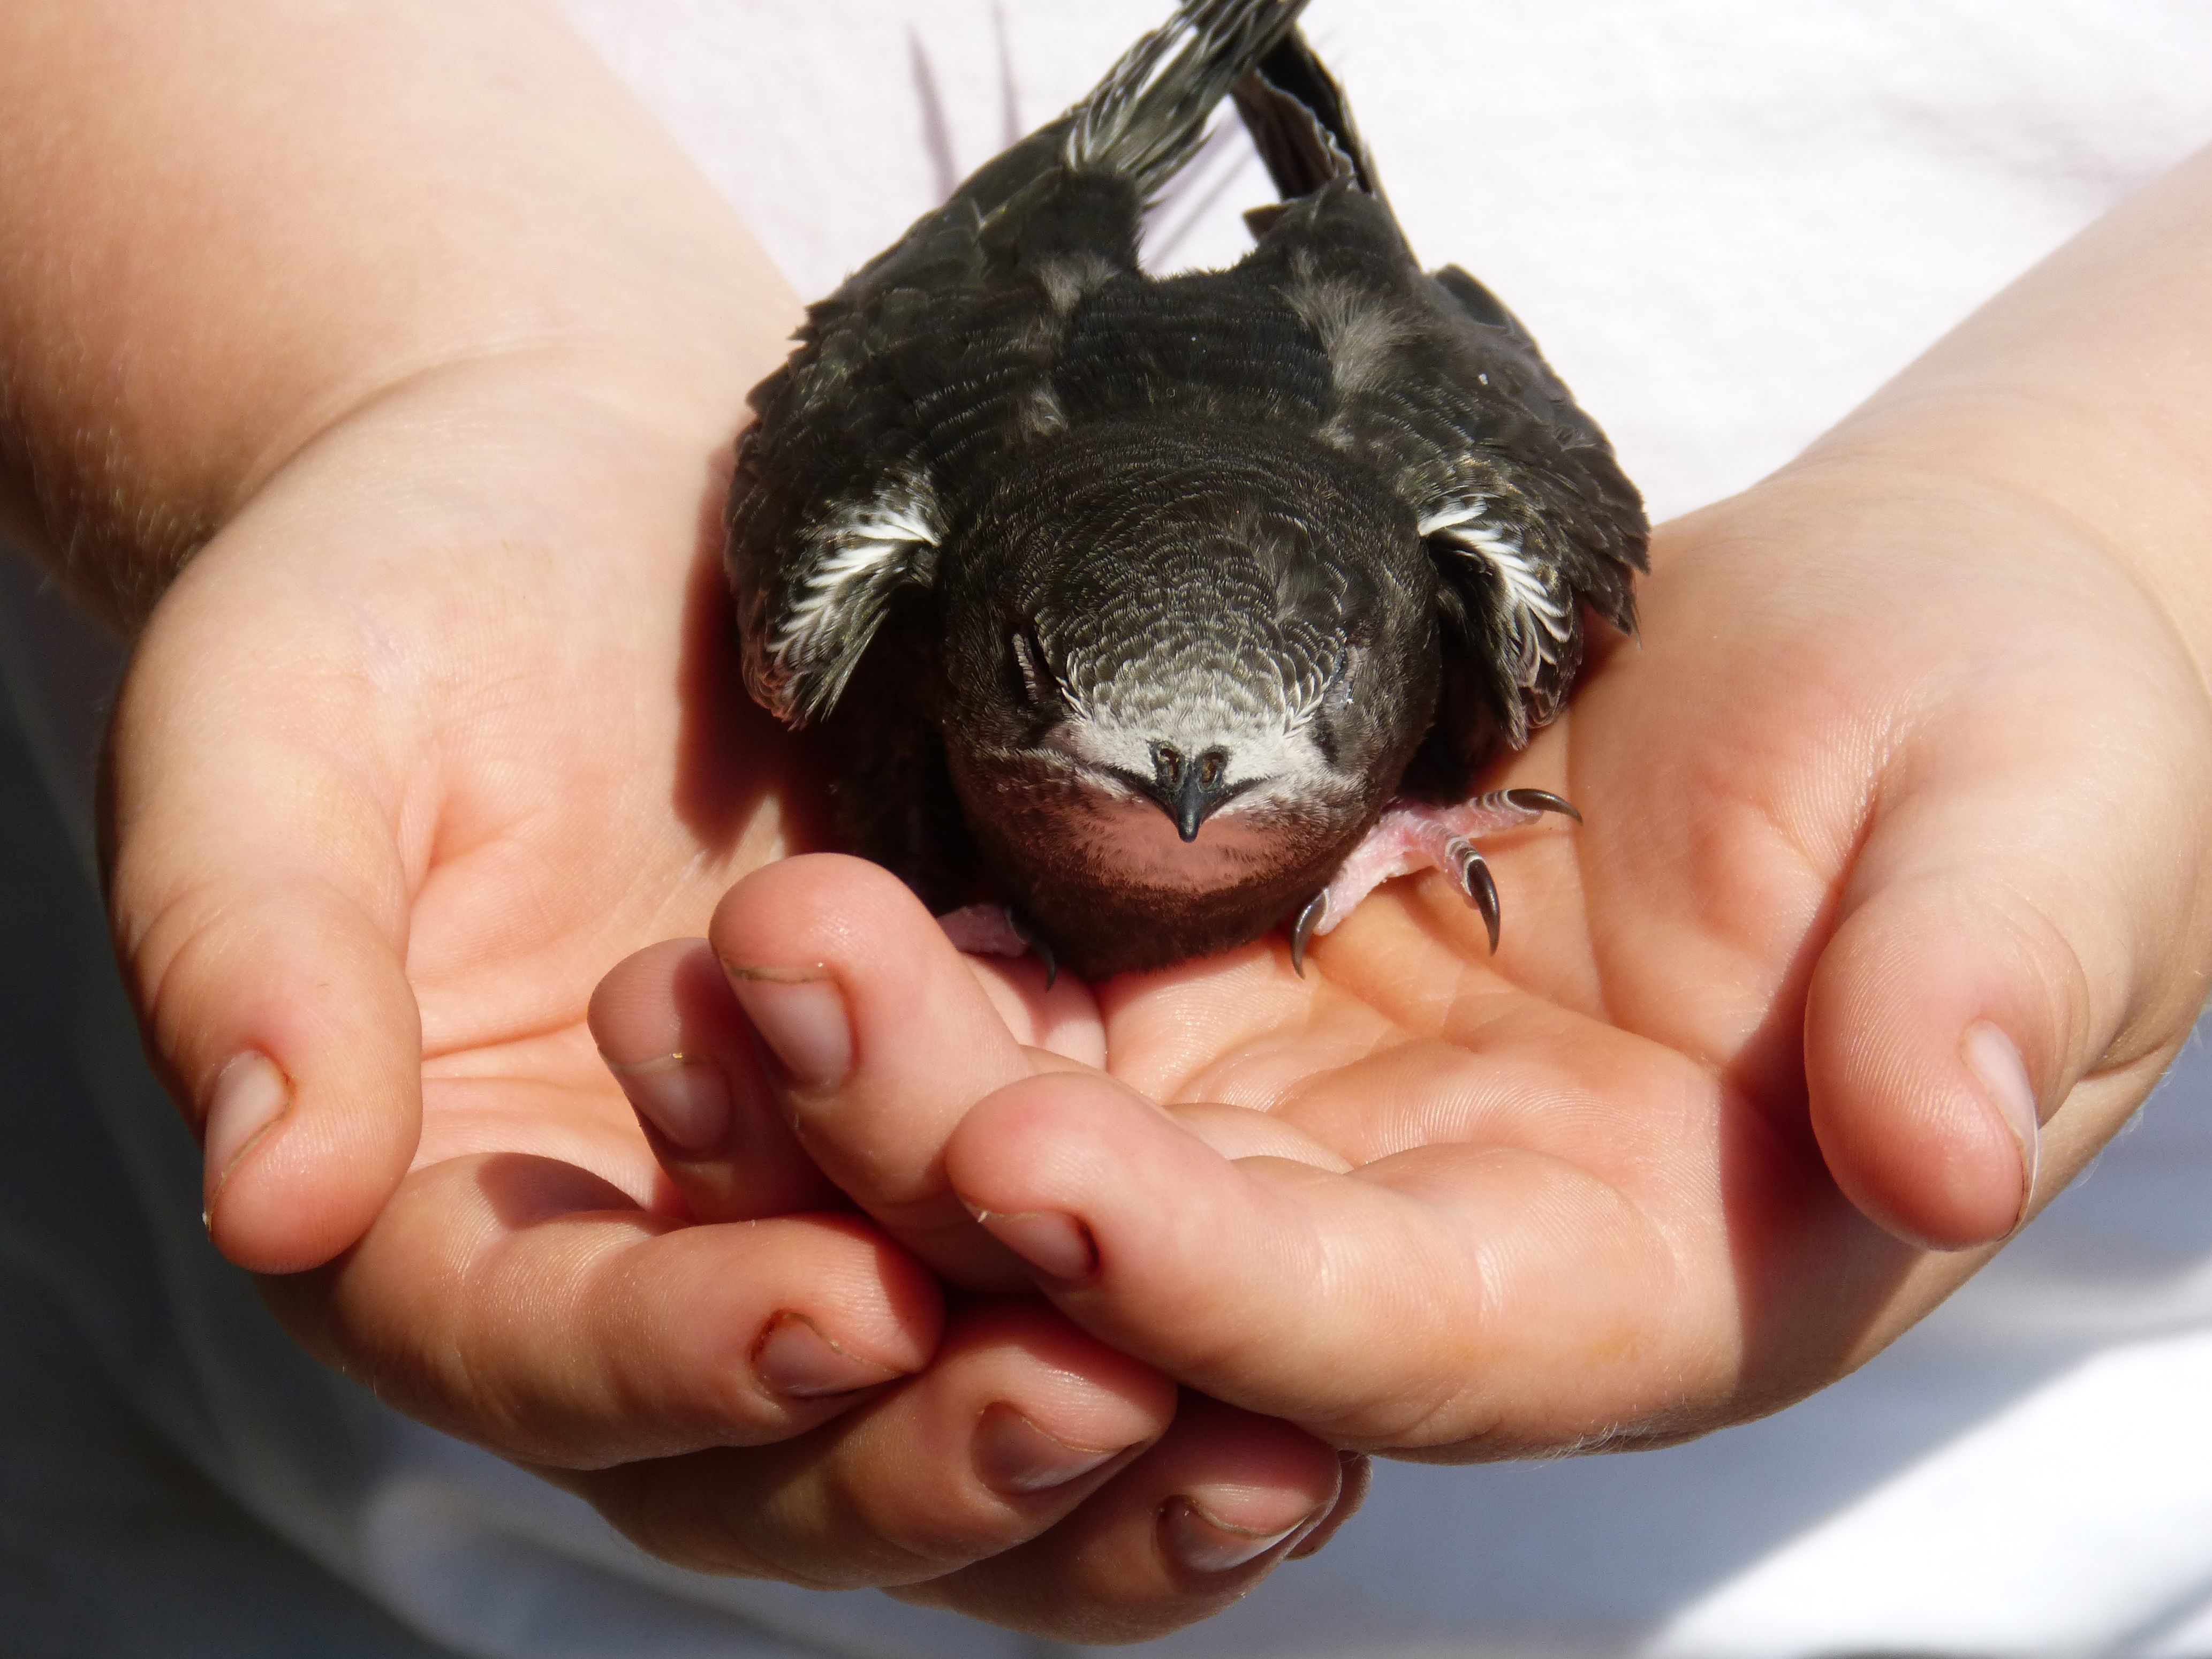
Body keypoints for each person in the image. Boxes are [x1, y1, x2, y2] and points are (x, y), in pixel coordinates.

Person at [4, 1, 2211, 1653]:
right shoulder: (867, 553)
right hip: (245, 1525)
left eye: (1278, 762)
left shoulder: (1474, 557)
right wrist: (375, 373)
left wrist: (2114, 539)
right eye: (1090, 731)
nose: (1184, 800)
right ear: (982, 664)